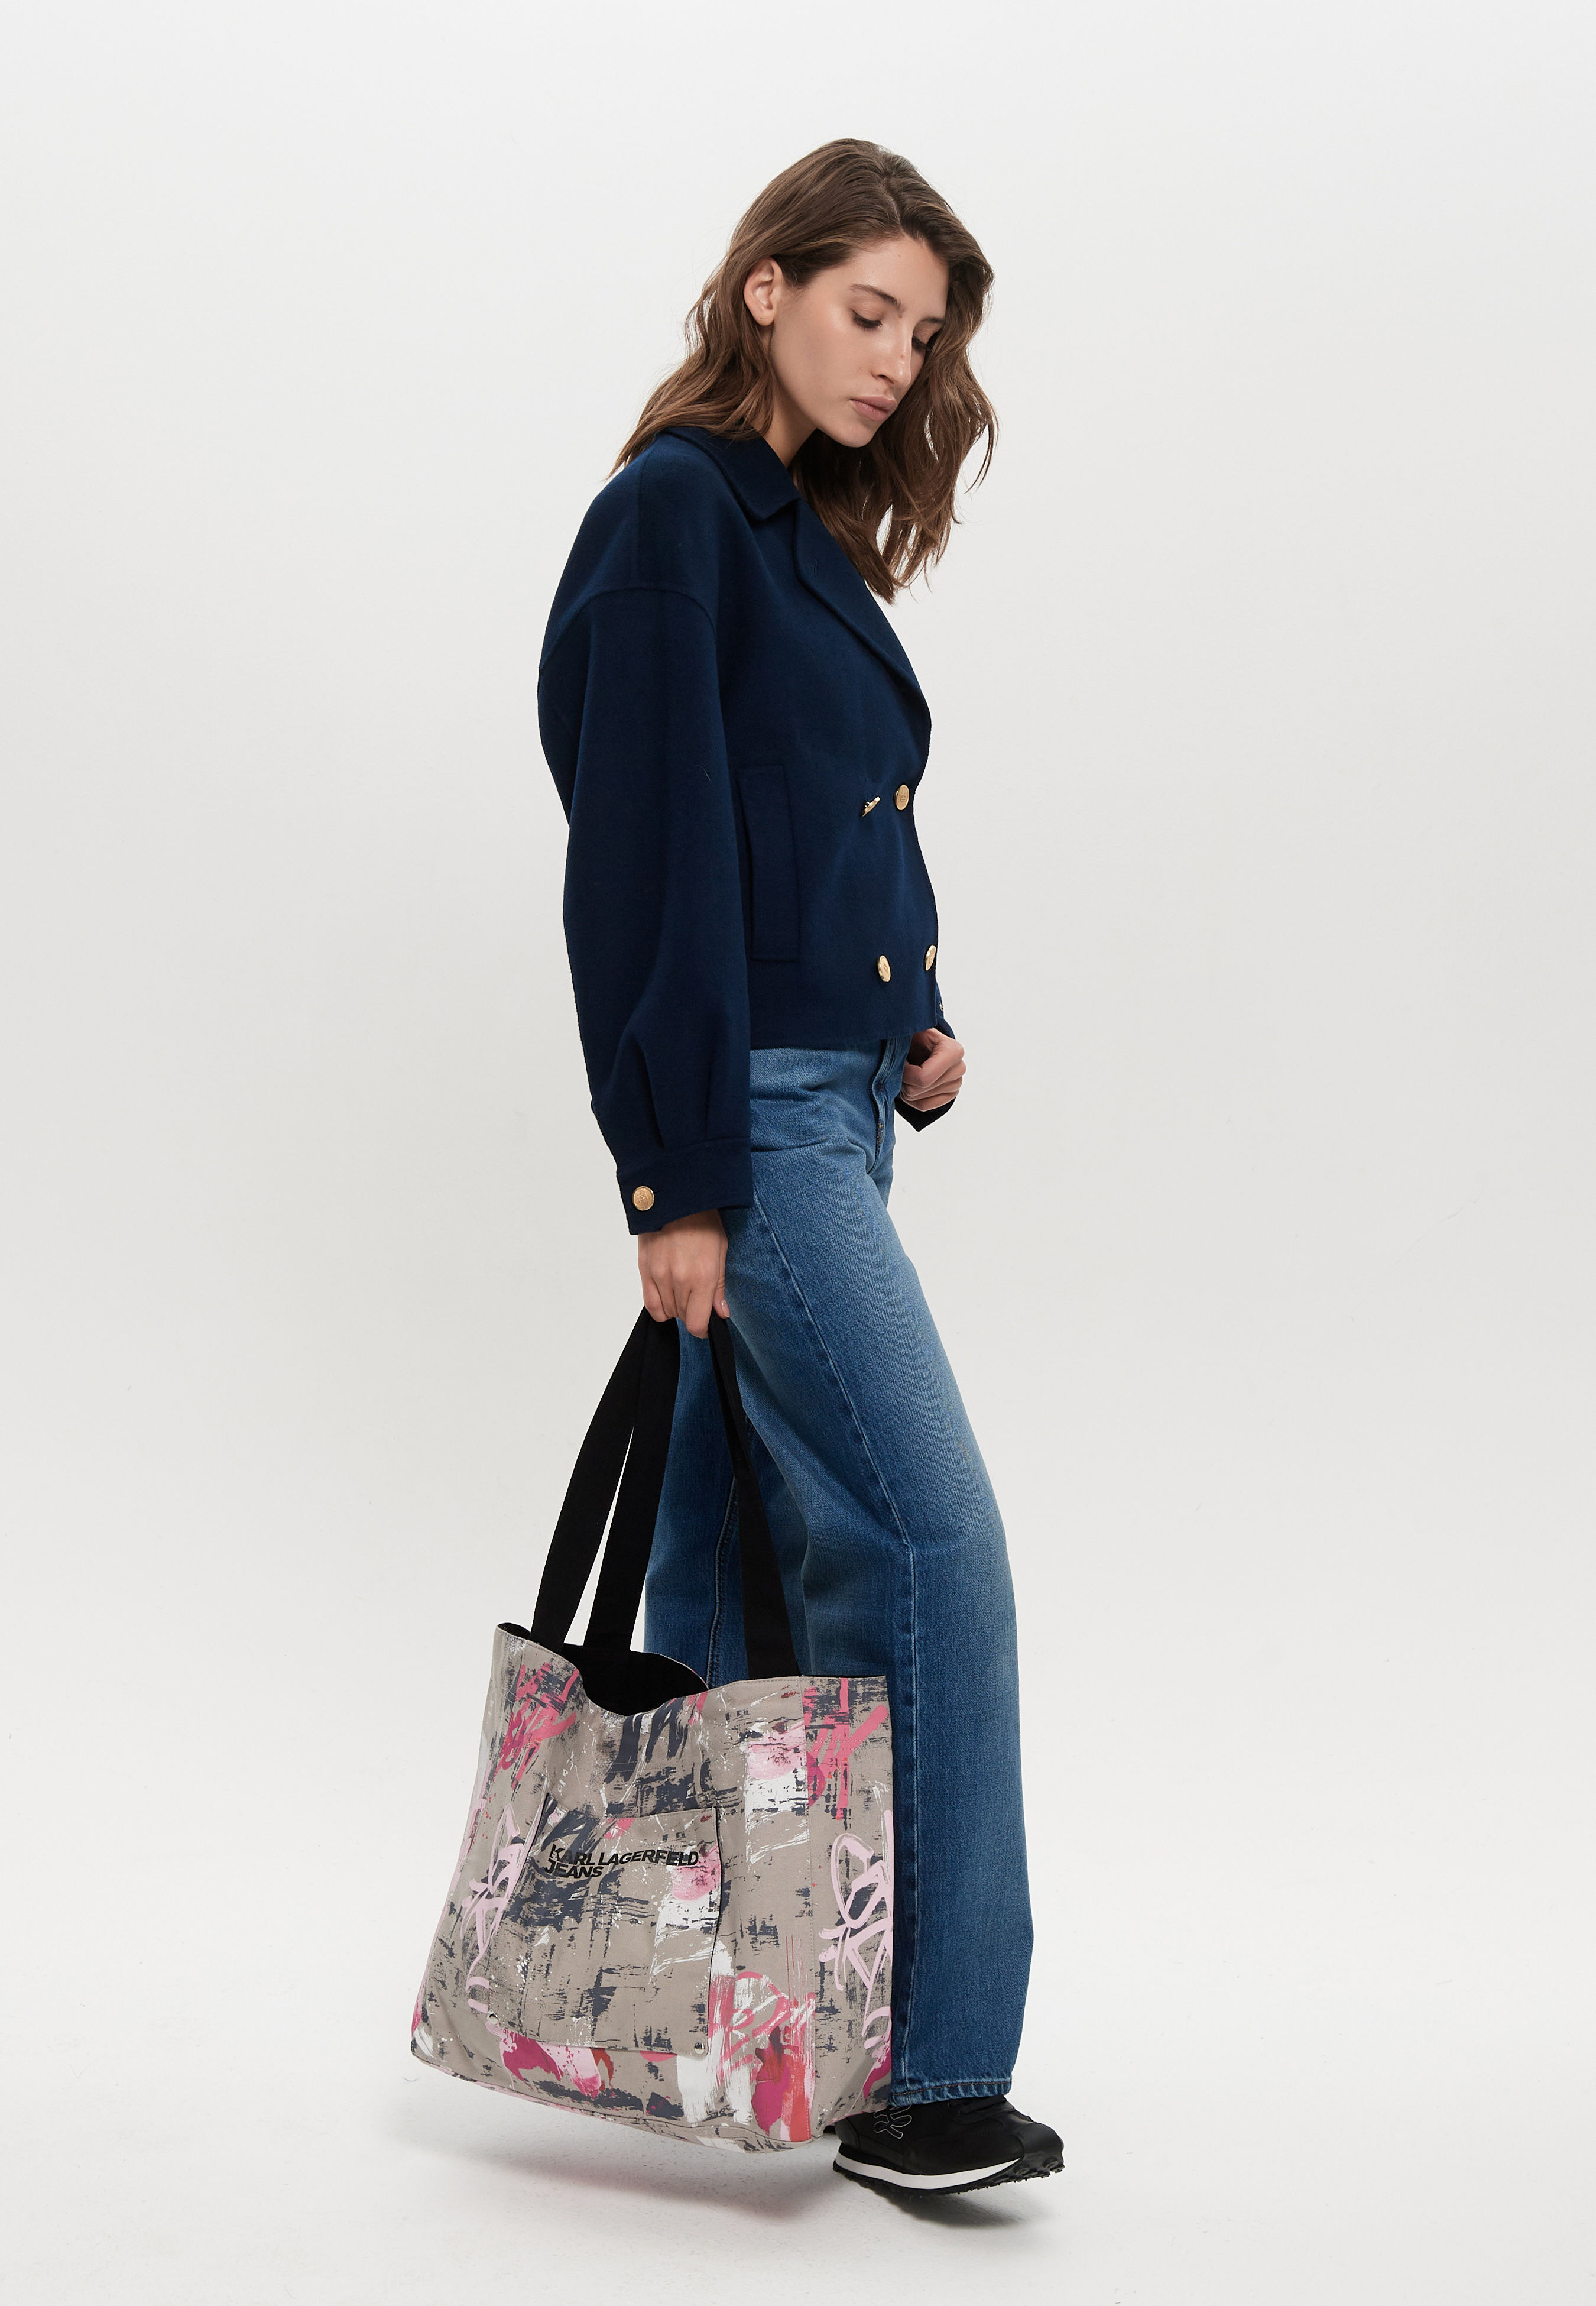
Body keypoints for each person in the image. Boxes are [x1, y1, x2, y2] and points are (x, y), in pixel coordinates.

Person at [538, 138, 1060, 2198]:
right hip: (743, 1124)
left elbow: (820, 825)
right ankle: (931, 2075)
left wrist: (907, 1012)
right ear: (764, 285)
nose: (896, 360)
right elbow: (644, 861)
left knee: (760, 1582)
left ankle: (754, 2029)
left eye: (921, 335)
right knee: (928, 1543)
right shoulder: (675, 515)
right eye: (867, 310)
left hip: (827, 1099)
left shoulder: (804, 539)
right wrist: (670, 1176)